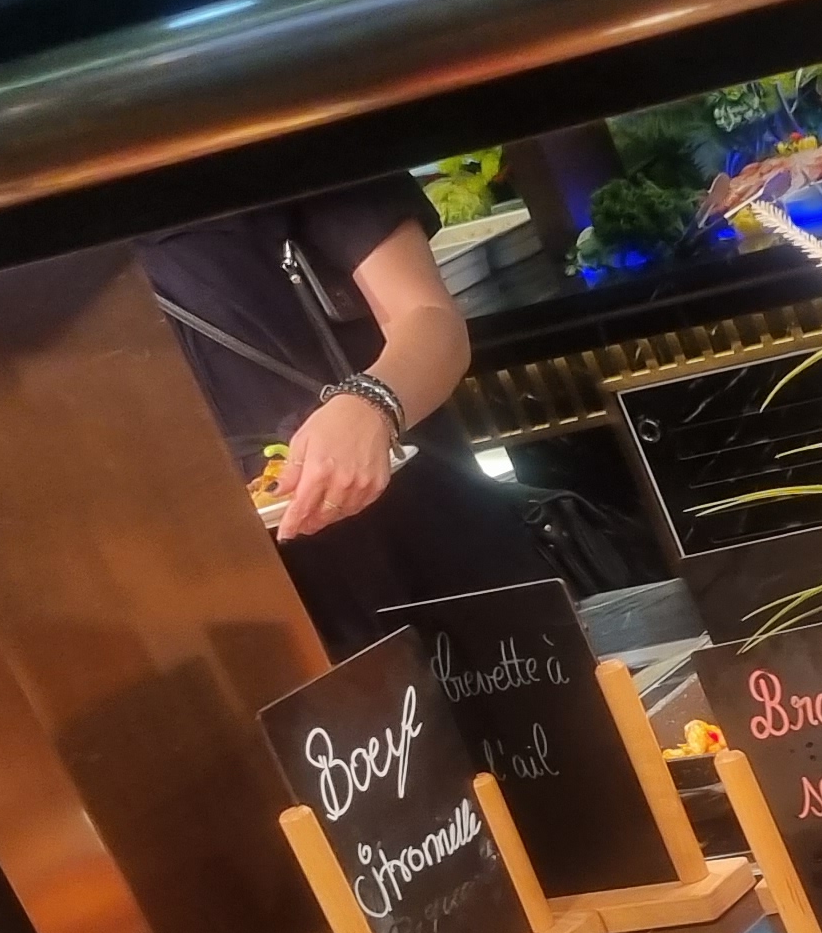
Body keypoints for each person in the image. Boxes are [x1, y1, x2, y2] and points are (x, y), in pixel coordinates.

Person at [140, 172, 543, 657]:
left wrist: (369, 403)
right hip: (221, 598)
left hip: (418, 540)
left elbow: (430, 320)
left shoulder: (246, 137)